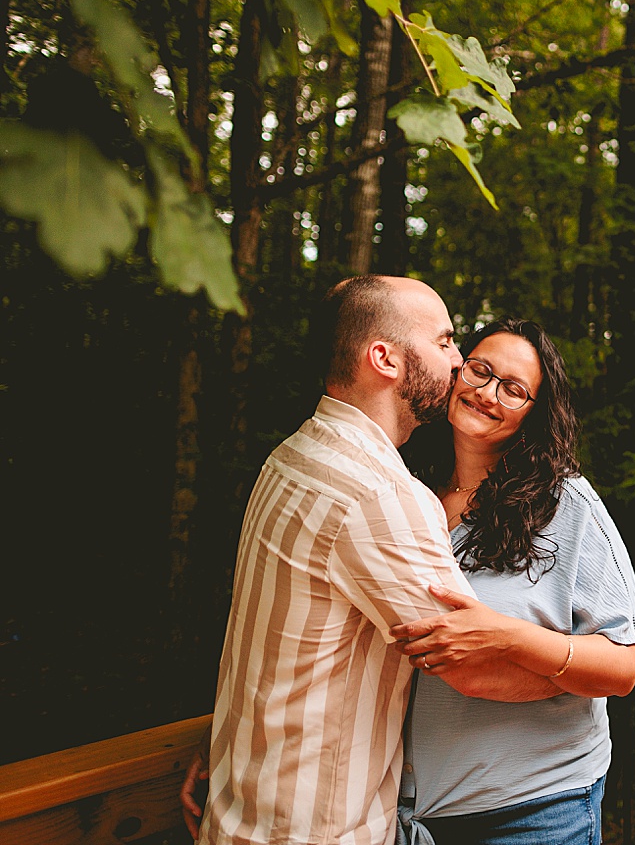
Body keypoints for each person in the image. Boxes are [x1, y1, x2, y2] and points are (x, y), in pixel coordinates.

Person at [182, 276, 535, 845]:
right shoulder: (381, 495)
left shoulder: (289, 457)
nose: (458, 362)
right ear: (385, 359)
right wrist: (587, 673)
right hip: (317, 828)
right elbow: (472, 665)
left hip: (240, 809)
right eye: (445, 342)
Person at [388, 318, 635, 845]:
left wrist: (506, 636)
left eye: (513, 390)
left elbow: (624, 665)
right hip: (400, 813)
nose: (488, 394)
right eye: (481, 371)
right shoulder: (402, 490)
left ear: (533, 413)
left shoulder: (566, 502)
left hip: (532, 811)